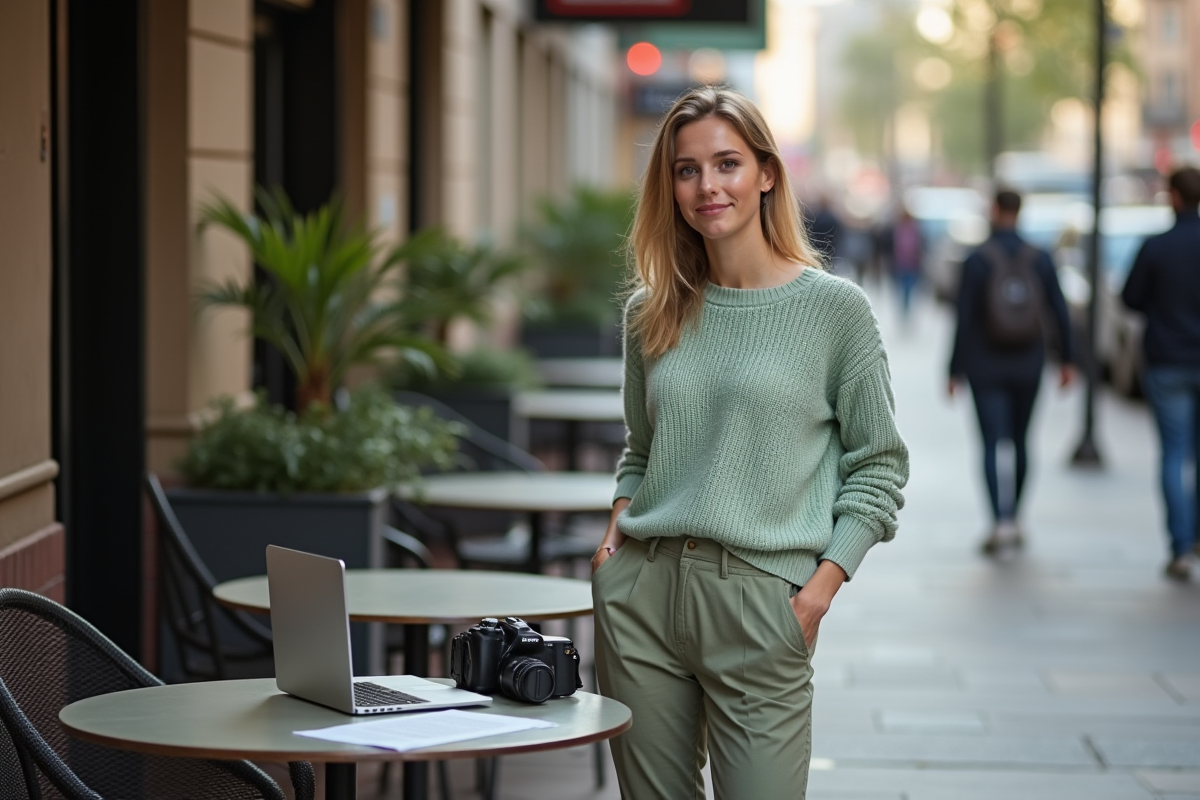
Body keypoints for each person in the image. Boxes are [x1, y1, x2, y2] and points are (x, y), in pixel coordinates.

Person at [590, 86, 909, 799]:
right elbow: (642, 449)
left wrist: (818, 592)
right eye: (686, 169)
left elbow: (879, 465)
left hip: (762, 599)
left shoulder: (835, 311)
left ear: (767, 173)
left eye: (727, 163)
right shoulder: (653, 312)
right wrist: (615, 536)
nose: (708, 186)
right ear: (669, 188)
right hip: (642, 594)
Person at [948, 189, 1074, 554]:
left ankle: (997, 521)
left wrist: (954, 369)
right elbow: (1059, 310)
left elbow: (965, 318)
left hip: (984, 365)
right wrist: (1068, 359)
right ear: (1020, 212)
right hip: (1028, 362)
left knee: (990, 443)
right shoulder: (1040, 257)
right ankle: (1016, 516)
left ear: (993, 210)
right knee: (1021, 441)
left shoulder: (977, 260)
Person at [1121, 166, 1200, 581]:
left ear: (1173, 197)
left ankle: (1180, 546)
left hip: (1168, 360)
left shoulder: (1157, 246)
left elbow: (1130, 297)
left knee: (1174, 453)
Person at [887, 206, 925, 321]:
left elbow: (920, 247)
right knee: (902, 288)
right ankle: (904, 308)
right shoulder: (896, 229)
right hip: (900, 264)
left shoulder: (915, 230)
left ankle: (906, 308)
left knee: (908, 288)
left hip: (911, 264)